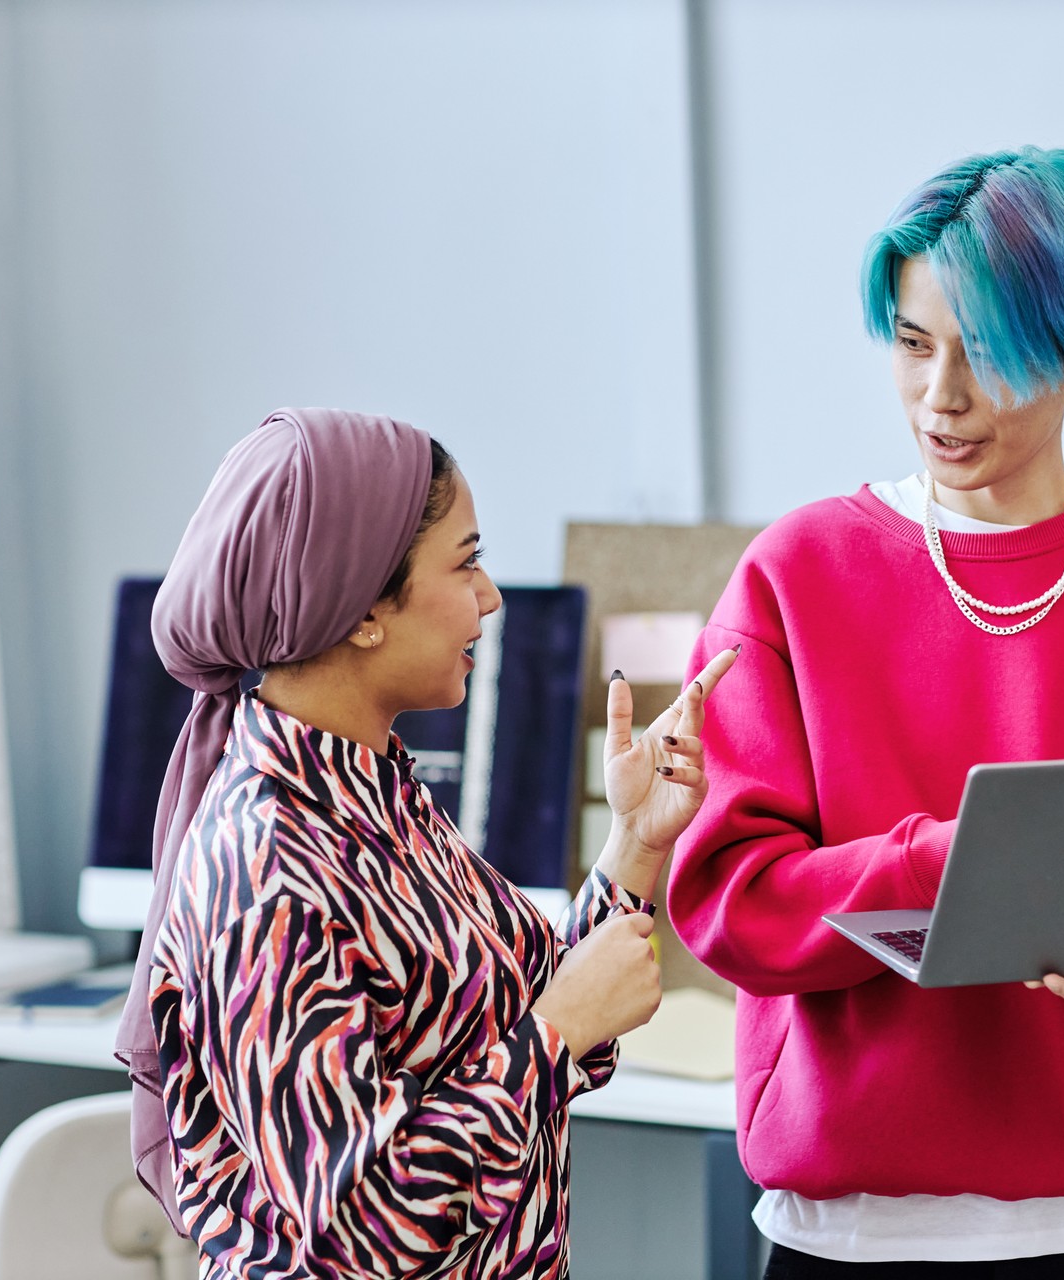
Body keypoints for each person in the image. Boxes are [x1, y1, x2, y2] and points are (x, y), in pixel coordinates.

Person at [669, 148, 1064, 1278]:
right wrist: (952, 863)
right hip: (853, 1241)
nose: (939, 395)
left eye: (987, 352)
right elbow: (731, 909)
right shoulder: (792, 578)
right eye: (911, 342)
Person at [113, 407, 739, 1279]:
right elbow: (362, 1225)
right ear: (365, 603)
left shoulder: (375, 790)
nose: (491, 598)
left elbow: (510, 1029)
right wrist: (557, 1034)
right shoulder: (265, 866)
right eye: (468, 561)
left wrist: (634, 844)